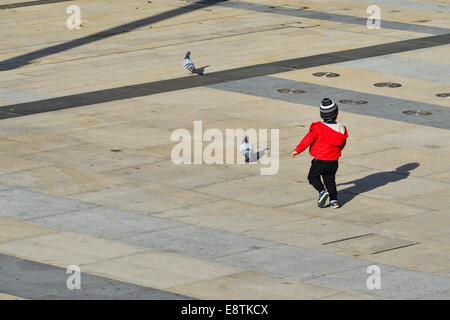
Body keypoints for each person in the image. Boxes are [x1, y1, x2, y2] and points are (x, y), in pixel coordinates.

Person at [290, 98, 348, 208]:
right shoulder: (342, 128)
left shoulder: (319, 128)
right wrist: (337, 153)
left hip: (320, 160)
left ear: (322, 115)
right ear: (337, 115)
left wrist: (297, 150)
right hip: (333, 161)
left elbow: (307, 140)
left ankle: (322, 191)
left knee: (312, 177)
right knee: (330, 180)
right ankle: (334, 201)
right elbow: (343, 143)